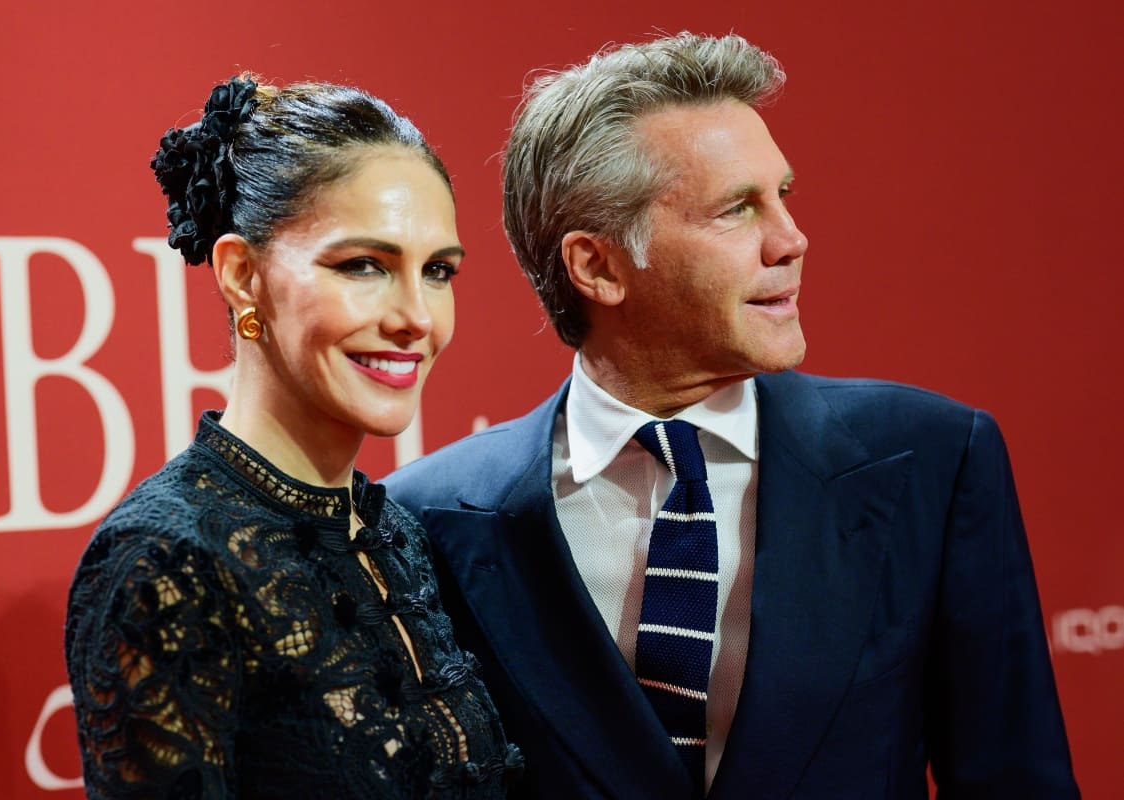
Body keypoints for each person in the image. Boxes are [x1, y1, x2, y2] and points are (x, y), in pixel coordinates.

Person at [383, 33, 1079, 799]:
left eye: (783, 194)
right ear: (599, 266)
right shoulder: (426, 518)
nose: (789, 239)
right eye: (736, 209)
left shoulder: (932, 458)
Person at [64, 75, 521, 799]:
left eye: (437, 272)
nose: (416, 317)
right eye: (363, 265)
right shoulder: (164, 558)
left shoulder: (392, 531)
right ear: (242, 276)